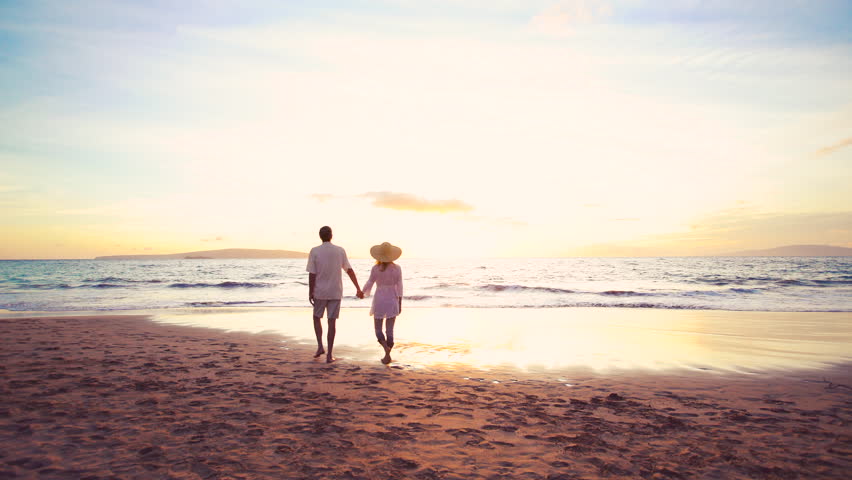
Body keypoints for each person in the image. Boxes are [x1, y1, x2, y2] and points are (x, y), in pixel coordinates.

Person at [306, 226, 363, 363]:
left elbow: (312, 274)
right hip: (335, 291)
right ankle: (329, 355)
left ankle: (320, 346)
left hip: (320, 291)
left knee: (316, 318)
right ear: (331, 235)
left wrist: (310, 291)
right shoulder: (339, 250)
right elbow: (349, 270)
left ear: (320, 236)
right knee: (332, 322)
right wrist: (358, 288)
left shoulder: (314, 251)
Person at [362, 242, 403, 365]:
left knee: (378, 329)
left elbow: (370, 282)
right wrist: (400, 301)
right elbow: (400, 285)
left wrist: (362, 293)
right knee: (390, 330)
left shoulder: (375, 269)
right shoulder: (397, 268)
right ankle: (387, 354)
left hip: (379, 299)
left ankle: (385, 348)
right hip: (392, 299)